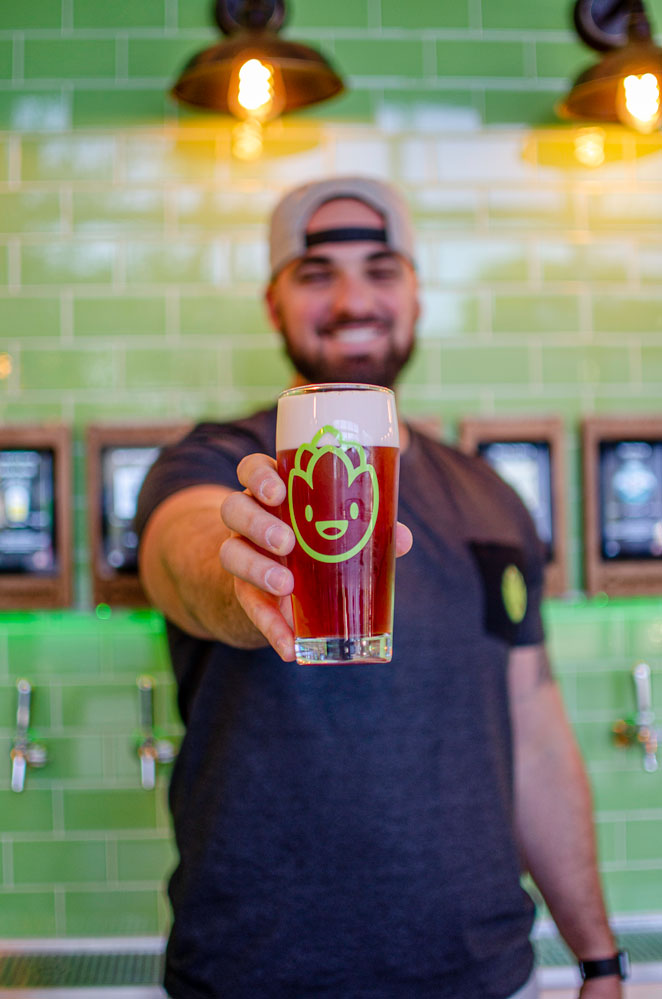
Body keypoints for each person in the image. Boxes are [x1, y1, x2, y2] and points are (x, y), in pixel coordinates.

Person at [136, 177, 624, 999]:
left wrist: (599, 957)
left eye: (381, 268)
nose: (354, 297)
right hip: (254, 976)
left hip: (484, 976)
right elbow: (183, 558)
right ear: (273, 301)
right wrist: (248, 582)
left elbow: (535, 731)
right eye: (317, 272)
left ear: (417, 292)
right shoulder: (218, 463)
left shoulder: (490, 496)